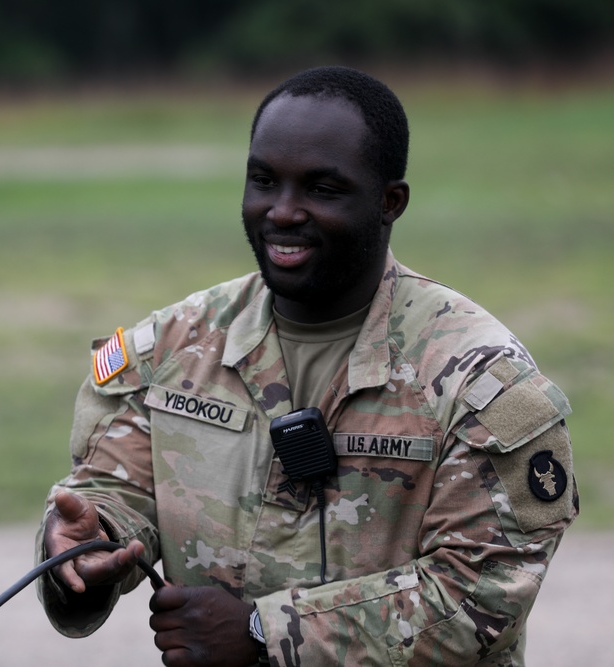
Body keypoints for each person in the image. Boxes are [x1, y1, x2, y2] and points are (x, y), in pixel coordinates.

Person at [35, 66, 577, 666]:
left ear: (389, 202)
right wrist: (85, 551)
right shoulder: (170, 348)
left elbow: (480, 597)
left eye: (322, 189)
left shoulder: (478, 383)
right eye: (264, 181)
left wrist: (268, 635)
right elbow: (110, 494)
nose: (283, 212)